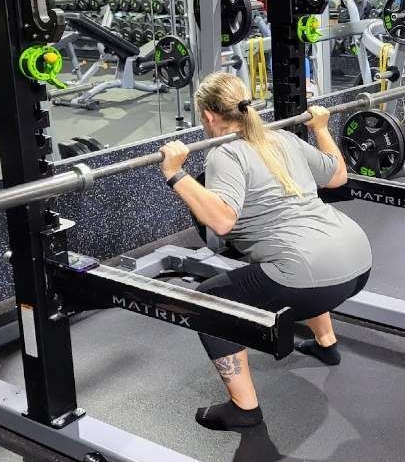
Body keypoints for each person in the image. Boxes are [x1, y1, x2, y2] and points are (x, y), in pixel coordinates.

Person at [159, 72, 372, 432]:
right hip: (358, 261)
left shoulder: (224, 154)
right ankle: (326, 342)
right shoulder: (282, 138)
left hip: (310, 277)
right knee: (290, 258)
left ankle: (244, 409)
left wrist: (175, 174)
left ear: (209, 117)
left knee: (208, 304)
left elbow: (222, 222)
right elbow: (337, 176)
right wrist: (321, 128)